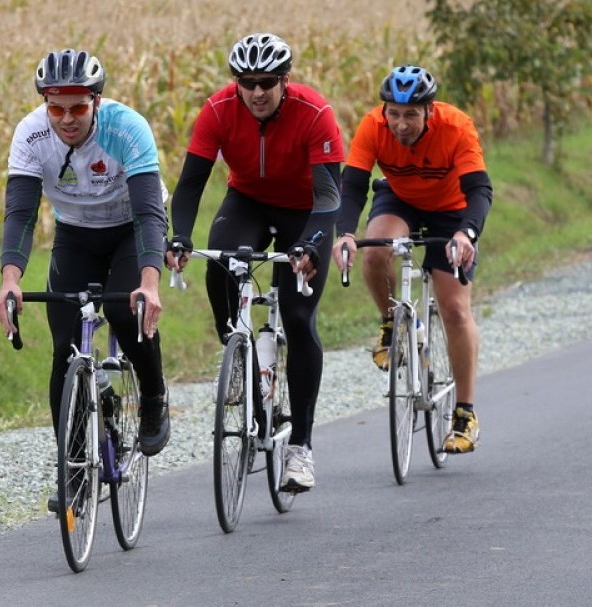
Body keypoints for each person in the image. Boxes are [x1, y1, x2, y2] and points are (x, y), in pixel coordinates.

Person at [165, 32, 345, 492]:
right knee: (219, 266)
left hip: (307, 210)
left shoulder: (315, 113)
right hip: (247, 199)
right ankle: (239, 353)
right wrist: (181, 236)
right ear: (237, 83)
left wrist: (309, 245)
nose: (258, 92)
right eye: (248, 82)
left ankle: (301, 447)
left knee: (299, 317)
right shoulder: (218, 109)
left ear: (286, 80)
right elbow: (189, 186)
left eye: (268, 81)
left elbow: (329, 196)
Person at [0, 49, 171, 510]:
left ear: (97, 100)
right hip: (76, 233)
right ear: (45, 104)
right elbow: (19, 215)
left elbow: (151, 214)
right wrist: (10, 280)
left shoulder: (126, 127)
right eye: (57, 107)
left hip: (131, 228)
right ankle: (75, 471)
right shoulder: (31, 134)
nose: (67, 118)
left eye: (78, 107)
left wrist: (149, 284)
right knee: (65, 349)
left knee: (120, 308)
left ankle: (154, 396)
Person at [332, 65, 493, 454]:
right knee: (374, 252)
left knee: (455, 310)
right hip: (401, 198)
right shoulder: (373, 126)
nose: (401, 125)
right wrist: (346, 234)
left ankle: (465, 414)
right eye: (394, 114)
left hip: (452, 209)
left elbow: (480, 189)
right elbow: (352, 187)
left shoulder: (456, 127)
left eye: (411, 115)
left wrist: (465, 234)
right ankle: (392, 322)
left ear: (429, 111)